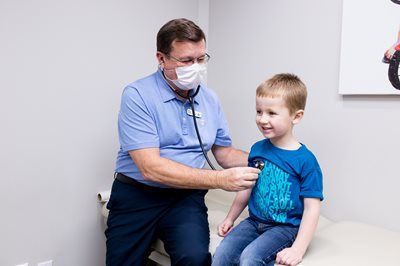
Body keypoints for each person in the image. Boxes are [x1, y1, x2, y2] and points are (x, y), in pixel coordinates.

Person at [105, 18, 260, 266]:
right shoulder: (138, 95)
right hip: (137, 195)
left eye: (201, 59)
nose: (196, 67)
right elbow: (150, 167)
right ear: (161, 58)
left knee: (195, 259)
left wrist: (267, 157)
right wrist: (220, 179)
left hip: (184, 198)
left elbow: (223, 152)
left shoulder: (209, 99)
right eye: (187, 60)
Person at [212, 73, 324, 266]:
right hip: (253, 222)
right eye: (259, 111)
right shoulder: (257, 149)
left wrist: (298, 248)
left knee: (250, 259)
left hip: (285, 228)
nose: (262, 119)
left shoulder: (306, 161)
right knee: (223, 254)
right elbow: (247, 187)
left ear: (296, 116)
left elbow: (312, 208)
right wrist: (230, 218)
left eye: (272, 113)